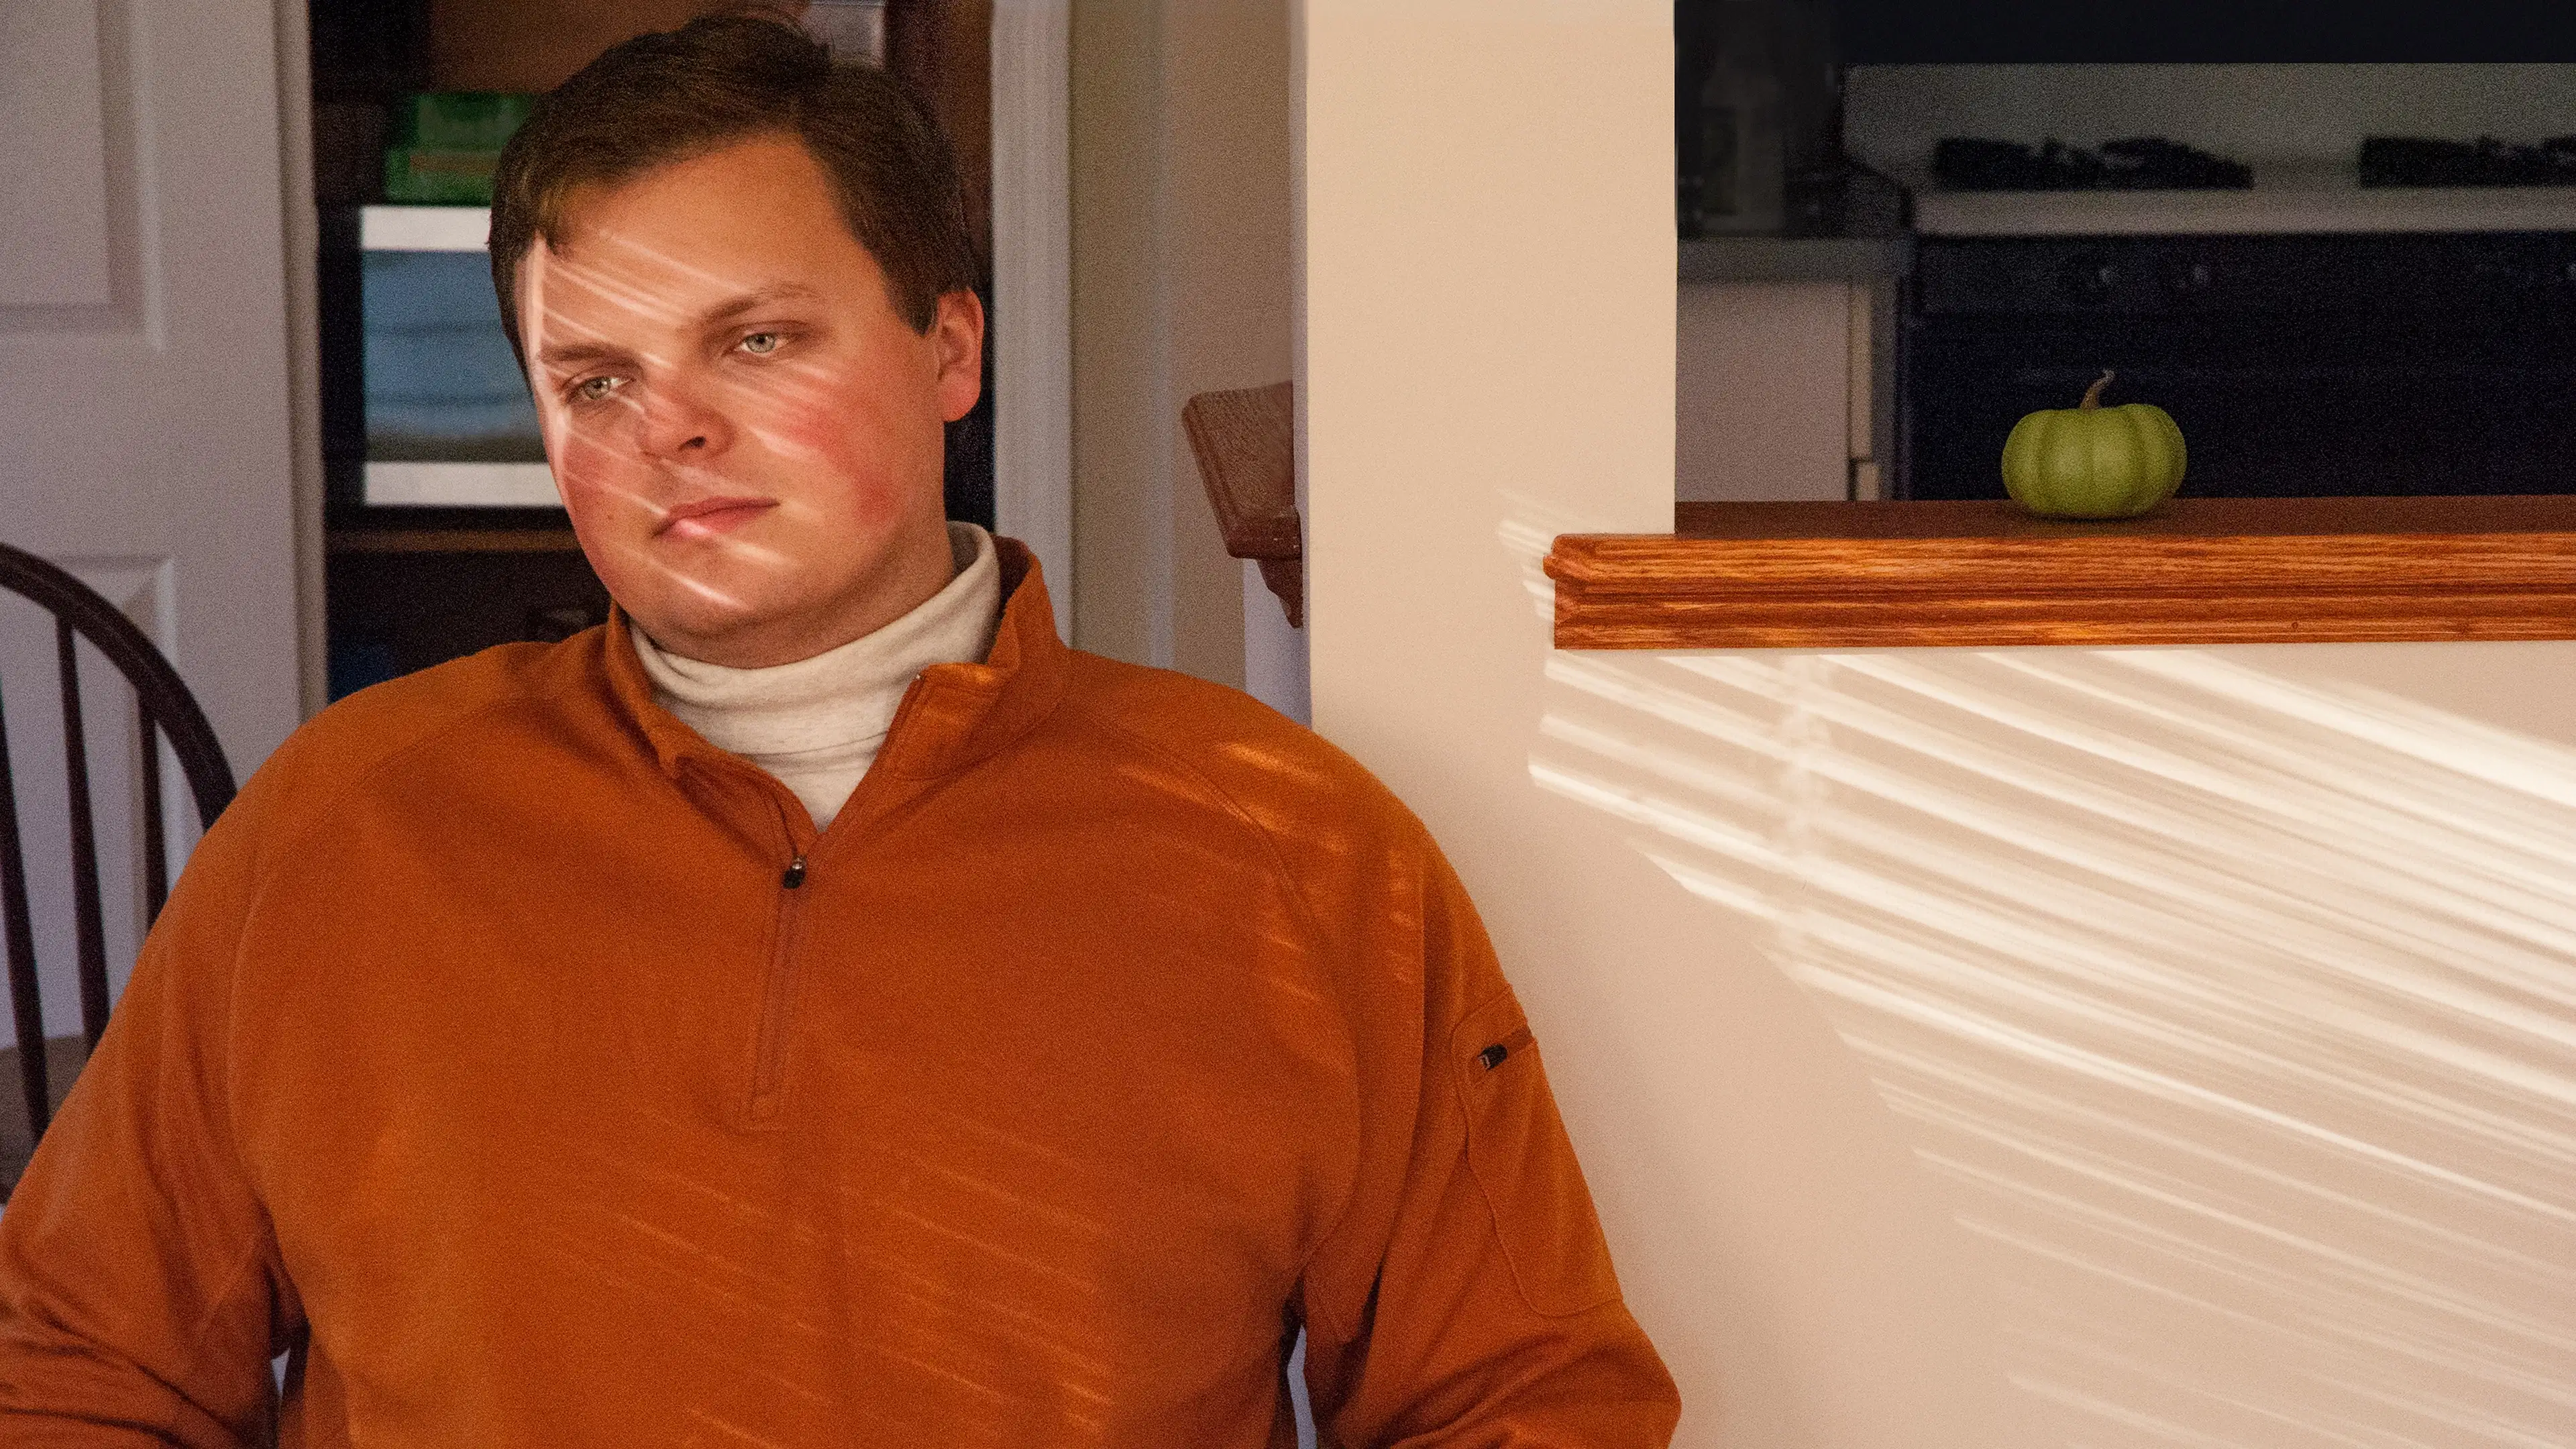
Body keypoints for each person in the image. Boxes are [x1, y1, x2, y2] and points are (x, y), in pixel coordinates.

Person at [0, 15, 1679, 1447]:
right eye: (593, 381)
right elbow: (73, 1368)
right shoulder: (341, 832)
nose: (673, 433)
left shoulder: (1291, 855)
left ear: (948, 347)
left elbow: (1528, 1397)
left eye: (757, 338)